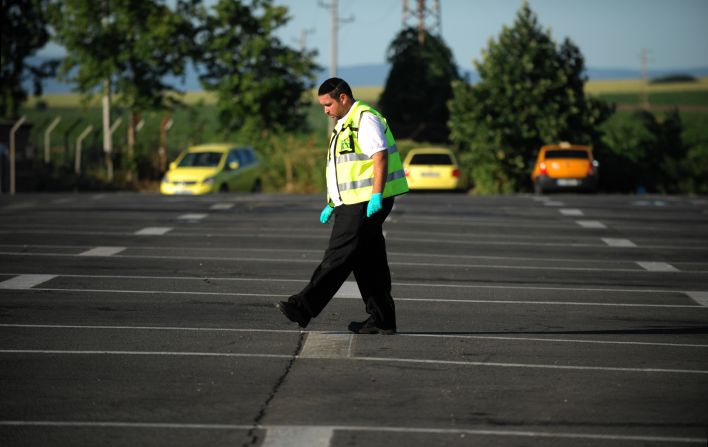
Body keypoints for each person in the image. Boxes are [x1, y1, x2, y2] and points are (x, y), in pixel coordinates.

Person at [276, 78, 409, 334]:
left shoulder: (364, 119)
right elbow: (343, 170)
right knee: (369, 261)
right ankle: (382, 319)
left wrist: (376, 196)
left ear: (343, 98)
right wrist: (332, 203)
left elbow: (379, 157)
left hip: (363, 202)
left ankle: (303, 307)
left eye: (327, 104)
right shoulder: (344, 124)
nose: (325, 110)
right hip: (351, 202)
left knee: (338, 254)